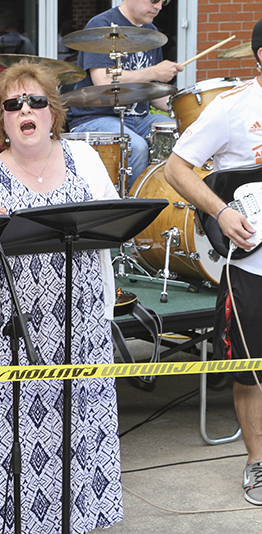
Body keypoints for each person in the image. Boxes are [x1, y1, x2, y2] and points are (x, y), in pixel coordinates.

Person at [0, 61, 122, 533]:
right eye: (13, 105)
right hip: (18, 334)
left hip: (83, 328)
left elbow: (114, 230)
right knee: (19, 442)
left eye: (35, 102)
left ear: (53, 112)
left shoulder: (85, 160)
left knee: (80, 437)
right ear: (2, 120)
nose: (25, 110)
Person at [165, 17, 262, 507]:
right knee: (251, 371)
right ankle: (257, 462)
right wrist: (221, 212)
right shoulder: (231, 109)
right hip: (252, 265)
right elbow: (176, 167)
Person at [66, 0, 183, 188]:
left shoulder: (152, 32)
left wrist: (186, 107)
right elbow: (103, 80)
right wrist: (154, 72)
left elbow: (151, 93)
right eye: (154, 0)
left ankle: (167, 205)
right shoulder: (102, 25)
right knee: (135, 146)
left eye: (164, 1)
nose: (159, 7)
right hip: (94, 118)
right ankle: (135, 208)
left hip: (140, 119)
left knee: (183, 136)